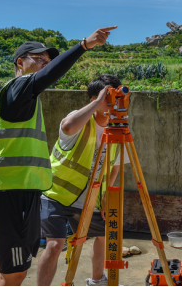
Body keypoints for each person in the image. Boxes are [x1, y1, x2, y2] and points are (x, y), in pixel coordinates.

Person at [0, 27, 117, 286]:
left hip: (23, 188)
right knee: (16, 272)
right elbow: (49, 78)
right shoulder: (17, 89)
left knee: (6, 263)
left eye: (46, 61)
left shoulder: (27, 100)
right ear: (20, 62)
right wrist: (84, 45)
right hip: (9, 188)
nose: (44, 64)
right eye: (38, 59)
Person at [37, 74, 130, 286]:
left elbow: (115, 166)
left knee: (103, 236)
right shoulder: (79, 119)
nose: (113, 103)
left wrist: (105, 195)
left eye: (116, 97)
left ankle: (97, 280)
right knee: (54, 245)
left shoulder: (118, 127)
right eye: (108, 98)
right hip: (57, 195)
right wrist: (99, 102)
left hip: (92, 198)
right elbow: (68, 127)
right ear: (94, 100)